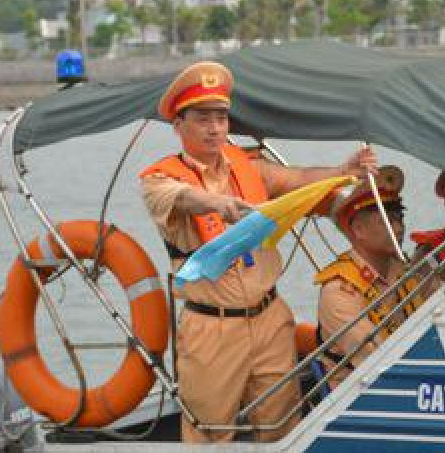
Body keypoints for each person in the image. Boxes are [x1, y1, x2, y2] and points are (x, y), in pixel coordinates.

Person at [138, 61, 375, 443]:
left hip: (269, 318)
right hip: (212, 326)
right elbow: (183, 199)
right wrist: (223, 205)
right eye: (202, 118)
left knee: (282, 426)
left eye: (221, 117)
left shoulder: (249, 168)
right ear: (178, 124)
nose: (215, 128)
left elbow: (296, 179)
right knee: (210, 435)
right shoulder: (160, 179)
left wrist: (341, 170)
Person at [314, 165, 420, 385]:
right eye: (387, 221)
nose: (399, 228)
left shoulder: (407, 272)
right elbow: (376, 362)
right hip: (361, 398)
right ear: (359, 230)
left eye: (399, 218)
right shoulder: (339, 291)